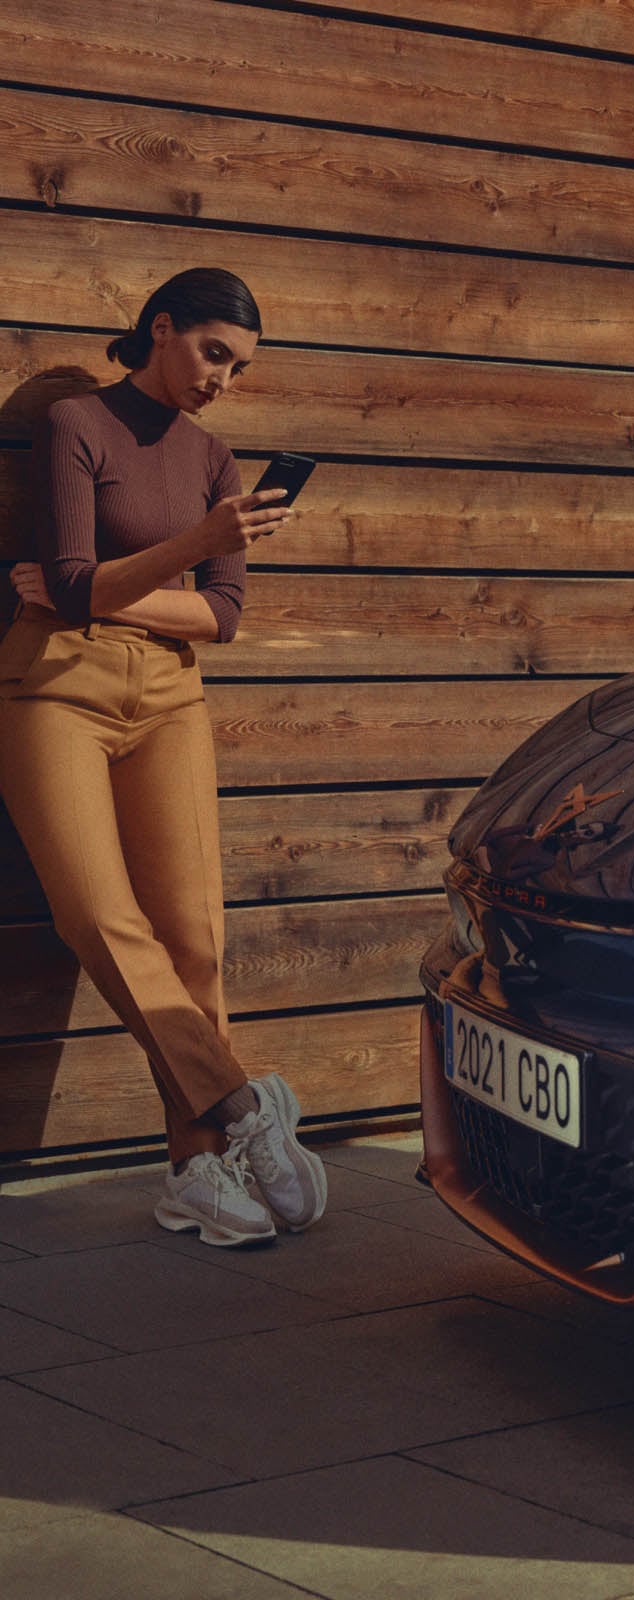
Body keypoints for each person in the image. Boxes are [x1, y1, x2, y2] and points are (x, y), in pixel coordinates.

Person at [0, 267, 327, 1246]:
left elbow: (220, 615)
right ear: (160, 328)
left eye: (239, 366)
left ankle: (193, 1169)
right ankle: (240, 1103)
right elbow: (63, 575)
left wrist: (100, 589)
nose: (222, 378)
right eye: (212, 352)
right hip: (56, 685)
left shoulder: (217, 459)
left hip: (170, 695)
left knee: (194, 940)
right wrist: (168, 553)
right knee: (96, 913)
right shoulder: (79, 426)